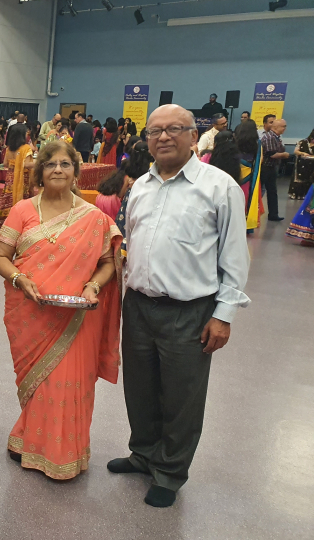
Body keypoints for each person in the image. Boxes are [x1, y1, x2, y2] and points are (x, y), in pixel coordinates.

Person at [113, 104, 251, 508]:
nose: (164, 137)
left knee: (181, 395)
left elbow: (235, 256)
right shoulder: (140, 186)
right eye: (155, 131)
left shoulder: (218, 186)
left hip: (189, 311)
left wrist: (223, 316)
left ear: (194, 136)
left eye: (175, 129)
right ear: (147, 140)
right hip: (138, 305)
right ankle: (143, 454)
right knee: (140, 389)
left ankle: (170, 472)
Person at [0, 140, 122, 479]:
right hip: (30, 313)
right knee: (38, 382)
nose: (58, 170)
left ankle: (64, 454)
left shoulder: (94, 217)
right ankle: (27, 439)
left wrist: (93, 285)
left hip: (78, 316)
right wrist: (20, 279)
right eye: (51, 165)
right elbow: (1, 258)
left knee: (68, 382)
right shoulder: (23, 211)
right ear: (41, 171)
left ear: (76, 172)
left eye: (66, 164)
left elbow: (109, 263)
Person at [0, 124, 33, 231]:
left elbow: (5, 163)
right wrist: (40, 162)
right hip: (22, 179)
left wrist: (15, 164)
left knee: (7, 199)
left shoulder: (9, 149)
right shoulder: (26, 148)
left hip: (10, 179)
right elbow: (26, 165)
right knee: (22, 199)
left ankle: (4, 225)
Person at [234, 119, 264, 231]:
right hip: (249, 174)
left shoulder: (235, 140)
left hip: (235, 171)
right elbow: (259, 160)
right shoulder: (257, 143)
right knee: (246, 198)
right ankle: (246, 224)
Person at [260, 118, 289, 221]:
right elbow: (271, 154)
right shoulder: (270, 137)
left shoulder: (276, 137)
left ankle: (273, 214)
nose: (285, 128)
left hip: (272, 167)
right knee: (261, 190)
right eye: (283, 126)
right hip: (266, 168)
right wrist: (284, 155)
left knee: (272, 191)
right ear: (276, 127)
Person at [288, 128, 314, 200]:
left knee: (310, 179)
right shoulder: (303, 142)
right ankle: (297, 194)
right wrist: (302, 153)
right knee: (299, 179)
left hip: (312, 165)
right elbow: (296, 151)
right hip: (302, 163)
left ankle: (308, 195)